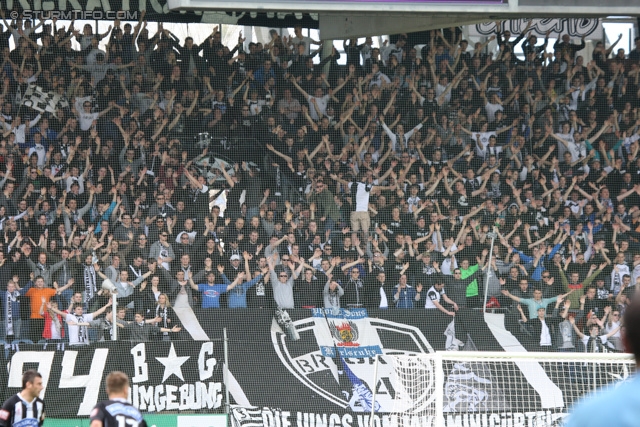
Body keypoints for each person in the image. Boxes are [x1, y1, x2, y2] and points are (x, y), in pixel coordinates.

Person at [565, 294, 640, 427]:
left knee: (600, 381)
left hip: (599, 364)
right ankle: (587, 392)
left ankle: (596, 393)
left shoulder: (602, 338)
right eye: (593, 329)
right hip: (588, 364)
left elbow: (611, 334)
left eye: (597, 329)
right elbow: (579, 333)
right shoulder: (587, 339)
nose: (595, 330)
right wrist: (573, 324)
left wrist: (619, 326)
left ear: (625, 342)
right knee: (587, 381)